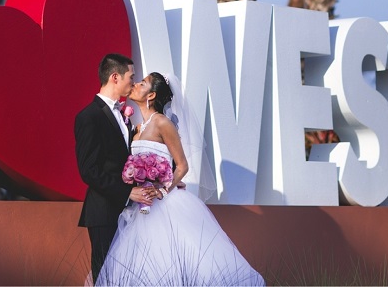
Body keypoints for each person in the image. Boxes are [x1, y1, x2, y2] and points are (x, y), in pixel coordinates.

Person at [96, 72, 264, 286]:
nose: (136, 84)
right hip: (142, 204)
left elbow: (182, 165)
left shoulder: (162, 123)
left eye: (143, 83)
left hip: (164, 204)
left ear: (151, 95)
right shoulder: (137, 128)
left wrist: (162, 189)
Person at [75, 53, 159, 282]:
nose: (134, 82)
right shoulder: (89, 117)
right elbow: (88, 170)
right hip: (104, 212)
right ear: (115, 77)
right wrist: (127, 192)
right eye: (131, 77)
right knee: (107, 277)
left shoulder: (125, 116)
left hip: (131, 213)